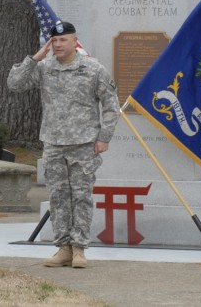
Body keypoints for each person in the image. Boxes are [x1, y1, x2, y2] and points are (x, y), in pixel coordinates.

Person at [7, 21, 120, 268]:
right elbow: (14, 84)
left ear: (74, 41)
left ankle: (79, 248)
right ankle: (63, 248)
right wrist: (36, 57)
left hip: (83, 144)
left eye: (63, 40)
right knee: (58, 197)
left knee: (81, 197)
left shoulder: (92, 69)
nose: (57, 45)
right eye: (54, 41)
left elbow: (111, 104)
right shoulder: (44, 68)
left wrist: (104, 137)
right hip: (54, 143)